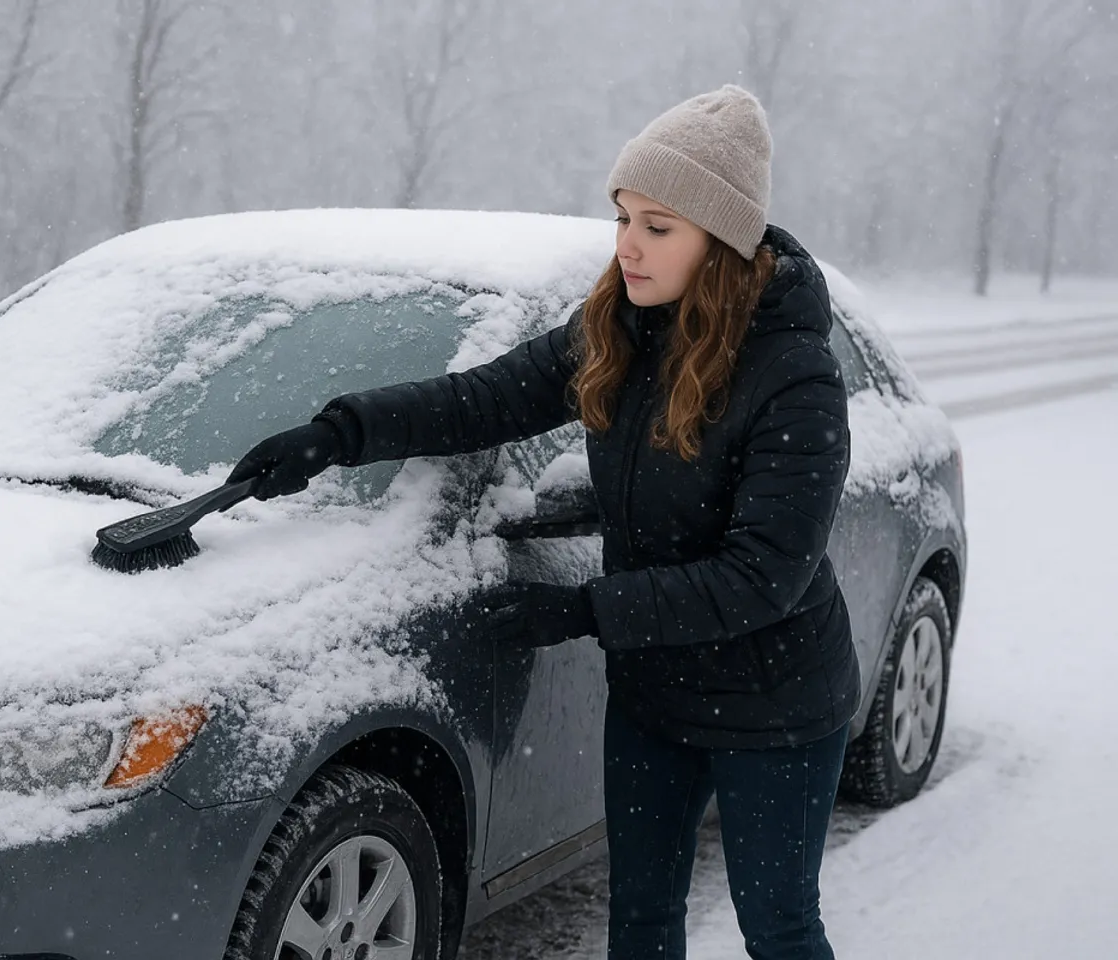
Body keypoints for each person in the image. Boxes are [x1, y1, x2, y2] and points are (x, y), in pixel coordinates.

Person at [226, 84, 860, 960]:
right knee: (639, 922)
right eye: (623, 217)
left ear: (720, 240)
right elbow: (486, 397)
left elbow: (766, 576)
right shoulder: (622, 330)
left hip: (777, 704)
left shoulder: (795, 377)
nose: (628, 246)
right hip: (656, 695)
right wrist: (339, 432)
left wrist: (586, 611)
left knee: (778, 927)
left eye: (658, 227)